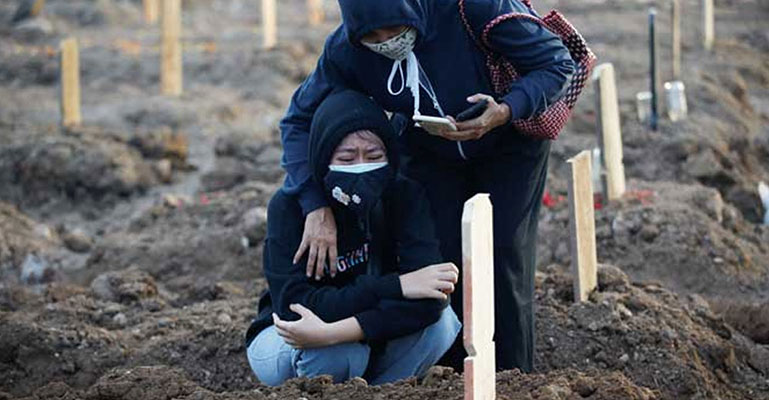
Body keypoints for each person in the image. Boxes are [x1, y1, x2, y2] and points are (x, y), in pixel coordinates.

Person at [278, 0, 575, 372]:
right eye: (372, 36)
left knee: (502, 257)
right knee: (439, 262)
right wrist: (315, 204)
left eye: (395, 30)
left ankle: (512, 377)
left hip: (508, 145)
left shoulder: (477, 7)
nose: (386, 42)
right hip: (427, 149)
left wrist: (506, 109)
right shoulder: (346, 49)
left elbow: (557, 63)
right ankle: (450, 376)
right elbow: (297, 121)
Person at [245, 90, 461, 386]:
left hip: (350, 335)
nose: (361, 166)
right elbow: (295, 307)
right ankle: (312, 390)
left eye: (374, 156)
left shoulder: (404, 196)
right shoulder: (291, 208)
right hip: (288, 337)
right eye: (346, 158)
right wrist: (396, 286)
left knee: (442, 324)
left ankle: (378, 391)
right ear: (322, 158)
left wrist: (336, 331)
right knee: (340, 354)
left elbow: (429, 301)